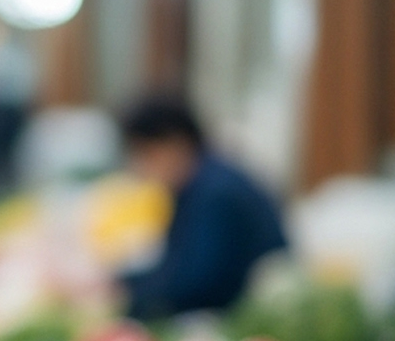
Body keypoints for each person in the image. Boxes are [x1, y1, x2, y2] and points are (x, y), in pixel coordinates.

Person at [118, 96, 287, 321]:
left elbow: (199, 283)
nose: (141, 170)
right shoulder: (200, 181)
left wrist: (127, 298)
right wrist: (122, 283)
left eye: (146, 155)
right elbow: (175, 267)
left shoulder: (216, 193)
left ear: (173, 143)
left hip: (243, 317)